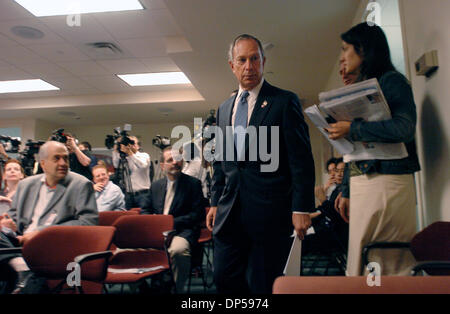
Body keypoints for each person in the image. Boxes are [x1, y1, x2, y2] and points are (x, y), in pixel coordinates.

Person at [206, 34, 315, 294]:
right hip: (230, 212)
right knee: (224, 278)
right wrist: (213, 201)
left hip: (270, 213)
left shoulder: (284, 101)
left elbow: (300, 159)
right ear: (232, 66)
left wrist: (301, 207)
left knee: (263, 284)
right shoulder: (223, 109)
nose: (249, 66)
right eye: (242, 60)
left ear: (263, 61)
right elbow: (222, 163)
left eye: (254, 59)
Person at [328, 23, 421, 276]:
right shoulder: (363, 86)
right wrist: (346, 188)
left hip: (388, 181)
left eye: (346, 49)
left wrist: (353, 129)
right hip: (363, 182)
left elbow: (404, 128)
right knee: (365, 256)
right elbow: (355, 151)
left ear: (364, 50)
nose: (342, 56)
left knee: (387, 259)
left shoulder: (392, 82)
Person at [0, 141, 98, 293]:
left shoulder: (80, 184)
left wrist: (43, 233)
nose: (63, 163)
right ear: (43, 164)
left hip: (53, 246)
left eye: (65, 158)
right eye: (57, 158)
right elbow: (14, 217)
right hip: (19, 243)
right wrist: (8, 224)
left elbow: (88, 223)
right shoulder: (26, 184)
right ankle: (22, 269)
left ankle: (22, 271)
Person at [140, 146, 205, 293]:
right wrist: (152, 223)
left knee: (178, 251)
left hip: (181, 231)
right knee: (127, 250)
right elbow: (145, 209)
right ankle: (143, 288)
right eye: (170, 160)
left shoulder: (193, 184)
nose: (175, 162)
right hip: (156, 233)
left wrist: (169, 223)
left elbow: (197, 214)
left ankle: (176, 289)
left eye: (178, 159)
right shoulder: (156, 185)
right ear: (162, 165)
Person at [304, 158, 348, 256]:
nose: (338, 174)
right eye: (337, 171)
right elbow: (325, 211)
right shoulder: (338, 188)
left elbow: (336, 217)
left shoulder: (346, 192)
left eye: (343, 171)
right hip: (328, 227)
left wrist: (323, 199)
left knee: (302, 240)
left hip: (336, 234)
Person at [112, 136, 151, 209]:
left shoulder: (144, 155)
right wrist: (116, 148)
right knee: (129, 217)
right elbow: (116, 164)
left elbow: (142, 165)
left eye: (133, 143)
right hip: (128, 195)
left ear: (138, 146)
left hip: (143, 194)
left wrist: (130, 153)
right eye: (128, 143)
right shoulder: (125, 158)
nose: (130, 145)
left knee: (144, 217)